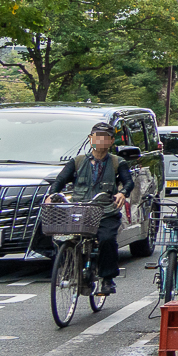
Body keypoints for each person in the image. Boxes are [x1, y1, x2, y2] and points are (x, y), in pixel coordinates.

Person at [46, 121, 132, 295]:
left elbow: (128, 182)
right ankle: (68, 269)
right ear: (90, 138)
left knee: (107, 240)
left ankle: (107, 278)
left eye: (105, 137)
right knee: (60, 237)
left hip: (105, 212)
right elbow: (60, 180)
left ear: (111, 141)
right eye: (97, 136)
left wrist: (123, 193)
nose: (101, 140)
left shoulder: (117, 162)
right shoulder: (77, 161)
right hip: (79, 210)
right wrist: (52, 194)